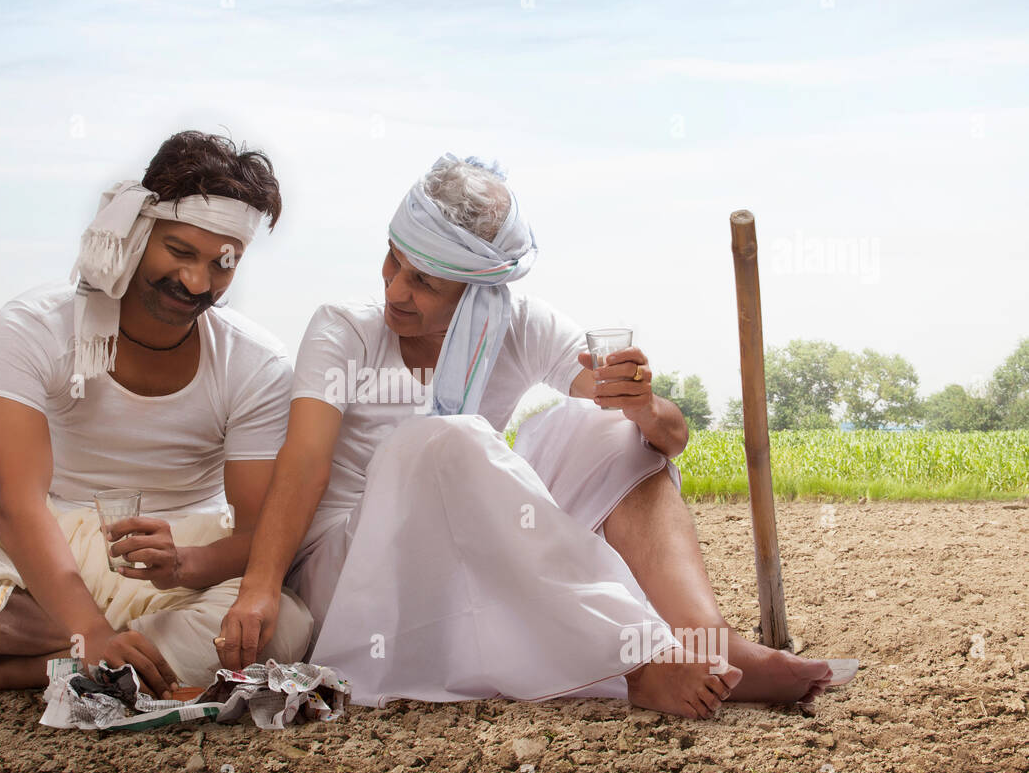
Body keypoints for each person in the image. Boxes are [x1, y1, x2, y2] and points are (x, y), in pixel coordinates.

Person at [217, 152, 837, 719]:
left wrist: (642, 405)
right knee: (445, 439)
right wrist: (260, 589)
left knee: (604, 428)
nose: (395, 291)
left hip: (470, 550)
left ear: (479, 290)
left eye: (425, 282)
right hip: (354, 571)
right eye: (393, 260)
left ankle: (705, 638)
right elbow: (302, 464)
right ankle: (640, 660)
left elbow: (667, 438)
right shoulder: (342, 329)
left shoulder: (518, 325)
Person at [0, 130, 313, 701]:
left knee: (286, 623)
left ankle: (9, 671)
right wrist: (88, 629)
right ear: (135, 231)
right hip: (41, 563)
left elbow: (257, 533)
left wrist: (185, 563)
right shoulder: (29, 328)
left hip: (179, 568)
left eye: (223, 264)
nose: (197, 282)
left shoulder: (255, 361)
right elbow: (18, 505)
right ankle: (101, 658)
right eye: (179, 252)